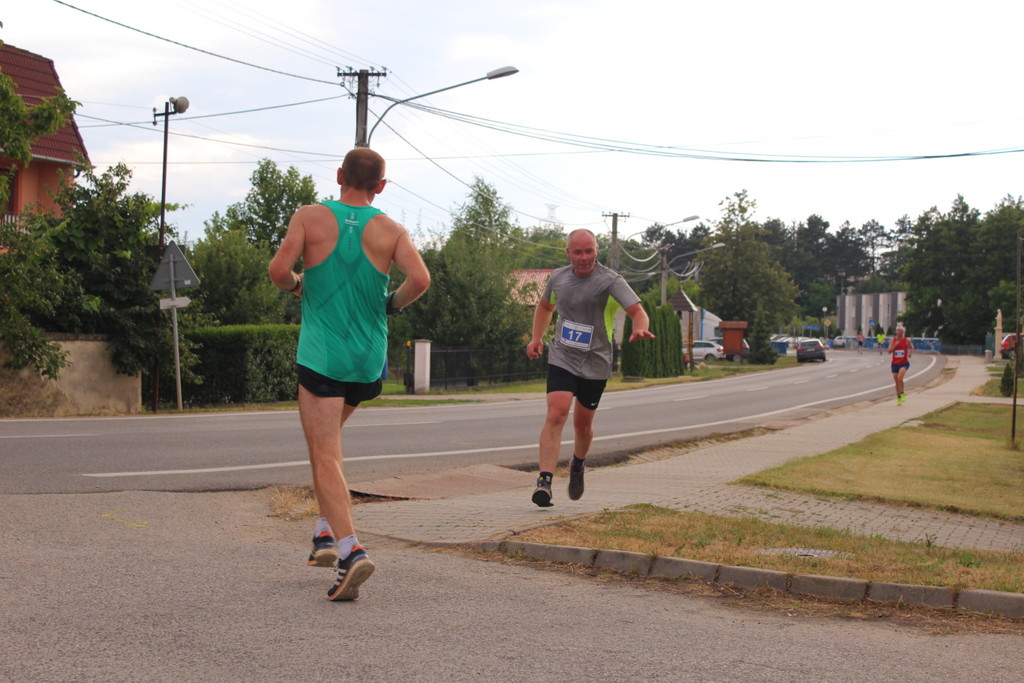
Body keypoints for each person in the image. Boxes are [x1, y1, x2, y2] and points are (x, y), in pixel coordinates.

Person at [268, 148, 430, 601]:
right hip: (367, 360)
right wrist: (390, 304)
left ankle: (350, 550)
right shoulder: (391, 230)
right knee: (328, 450)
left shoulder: (310, 217)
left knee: (324, 455)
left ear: (339, 176)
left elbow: (279, 270)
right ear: (381, 186)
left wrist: (298, 285)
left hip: (323, 355)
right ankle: (323, 531)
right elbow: (420, 280)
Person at [525, 228, 655, 507]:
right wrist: (536, 338)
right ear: (568, 253)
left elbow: (637, 311)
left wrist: (640, 328)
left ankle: (578, 464)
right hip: (562, 355)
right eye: (577, 252)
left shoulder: (610, 280)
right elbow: (545, 308)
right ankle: (544, 482)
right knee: (556, 412)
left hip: (595, 362)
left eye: (589, 251)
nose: (584, 257)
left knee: (582, 425)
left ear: (597, 250)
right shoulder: (558, 278)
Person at [888, 325, 914, 406]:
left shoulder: (906, 340)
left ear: (903, 331)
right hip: (895, 364)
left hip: (904, 363)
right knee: (897, 382)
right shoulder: (893, 340)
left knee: (900, 378)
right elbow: (889, 351)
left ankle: (902, 393)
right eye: (897, 330)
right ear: (896, 331)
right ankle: (898, 398)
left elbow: (911, 347)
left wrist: (910, 353)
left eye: (900, 330)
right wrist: (895, 345)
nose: (899, 331)